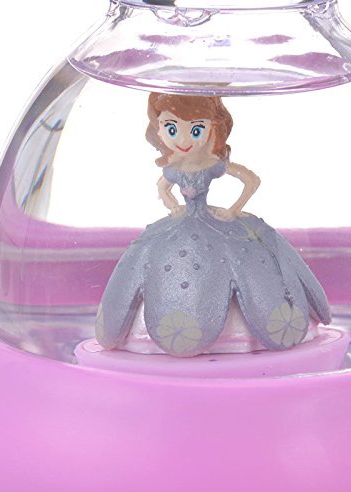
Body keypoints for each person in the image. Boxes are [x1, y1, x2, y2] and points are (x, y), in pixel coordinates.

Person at [96, 93, 331, 357]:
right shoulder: (174, 168)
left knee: (245, 266)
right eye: (171, 129)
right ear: (158, 129)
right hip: (182, 226)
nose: (183, 140)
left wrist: (234, 210)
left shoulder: (212, 165)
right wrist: (174, 208)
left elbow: (251, 181)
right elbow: (163, 188)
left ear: (213, 129)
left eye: (196, 129)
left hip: (218, 224)